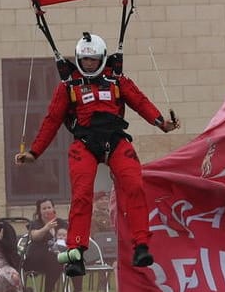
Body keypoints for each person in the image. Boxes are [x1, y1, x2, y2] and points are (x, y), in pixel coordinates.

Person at [16, 31, 179, 276]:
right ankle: (76, 253)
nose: (88, 64)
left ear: (102, 58)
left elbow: (140, 101)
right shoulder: (68, 87)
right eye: (84, 60)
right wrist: (34, 152)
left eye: (93, 60)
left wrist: (160, 123)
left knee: (134, 184)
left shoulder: (117, 81)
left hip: (115, 141)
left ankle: (141, 245)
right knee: (82, 194)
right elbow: (51, 120)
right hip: (84, 144)